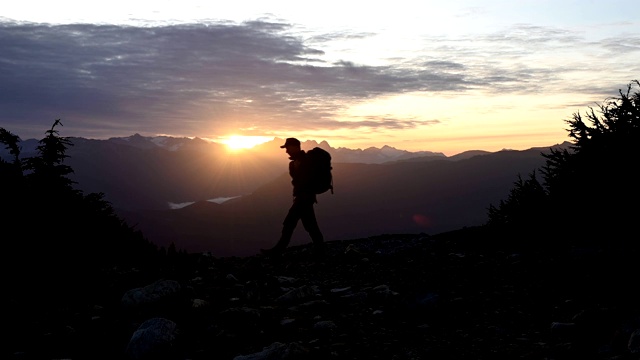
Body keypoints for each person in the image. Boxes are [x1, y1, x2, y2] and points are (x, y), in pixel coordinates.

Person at [261, 137, 326, 257]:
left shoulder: (306, 161)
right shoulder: (294, 163)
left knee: (289, 223)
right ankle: (320, 250)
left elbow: (306, 181)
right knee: (310, 225)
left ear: (295, 147)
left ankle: (277, 251)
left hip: (304, 199)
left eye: (287, 148)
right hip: (303, 198)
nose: (286, 151)